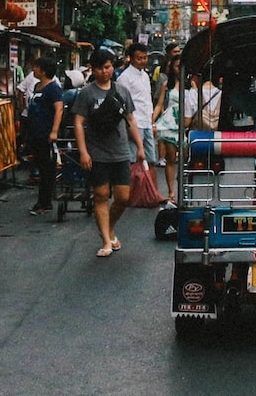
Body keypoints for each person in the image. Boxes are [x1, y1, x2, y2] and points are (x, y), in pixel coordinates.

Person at [72, 49, 146, 257]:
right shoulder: (86, 94)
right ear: (92, 70)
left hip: (121, 152)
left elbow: (131, 120)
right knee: (101, 195)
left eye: (108, 67)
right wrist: (83, 152)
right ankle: (106, 240)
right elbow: (78, 123)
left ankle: (109, 227)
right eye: (100, 68)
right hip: (98, 153)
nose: (105, 72)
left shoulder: (122, 91)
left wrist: (140, 147)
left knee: (123, 197)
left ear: (112, 67)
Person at [20, 57, 65, 216]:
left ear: (43, 70)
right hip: (35, 133)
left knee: (47, 168)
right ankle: (43, 201)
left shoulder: (53, 88)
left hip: (46, 134)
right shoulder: (38, 86)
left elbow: (59, 109)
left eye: (37, 68)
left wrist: (54, 131)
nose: (34, 70)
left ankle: (44, 203)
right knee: (39, 165)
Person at [115, 43, 158, 183]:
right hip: (134, 123)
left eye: (145, 58)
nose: (143, 61)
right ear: (131, 58)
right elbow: (122, 104)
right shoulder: (124, 78)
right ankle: (131, 193)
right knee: (133, 160)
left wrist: (152, 123)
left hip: (146, 123)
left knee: (151, 159)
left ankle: (154, 193)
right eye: (139, 58)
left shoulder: (145, 76)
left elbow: (148, 101)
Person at [152, 56, 183, 205]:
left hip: (185, 122)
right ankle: (171, 192)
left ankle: (183, 189)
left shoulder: (191, 85)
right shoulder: (166, 84)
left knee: (185, 160)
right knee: (171, 159)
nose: (178, 69)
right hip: (169, 122)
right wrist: (152, 121)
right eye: (176, 66)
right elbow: (159, 104)